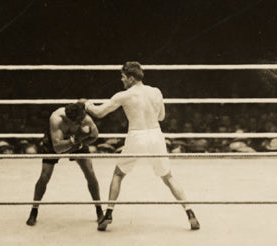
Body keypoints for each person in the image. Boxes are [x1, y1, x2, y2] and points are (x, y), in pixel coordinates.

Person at [83, 61, 200, 231]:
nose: (122, 81)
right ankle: (190, 213)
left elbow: (99, 112)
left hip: (137, 135)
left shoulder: (124, 95)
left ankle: (108, 213)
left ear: (131, 78)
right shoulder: (156, 92)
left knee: (118, 174)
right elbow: (161, 117)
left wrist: (86, 104)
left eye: (123, 78)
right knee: (168, 177)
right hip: (155, 134)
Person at [26, 101, 101, 226]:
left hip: (77, 142)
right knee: (44, 176)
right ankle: (34, 210)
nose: (81, 124)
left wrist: (81, 143)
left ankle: (99, 209)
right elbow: (57, 148)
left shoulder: (85, 119)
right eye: (77, 122)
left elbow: (95, 135)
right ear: (69, 120)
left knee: (90, 173)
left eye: (81, 121)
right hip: (55, 143)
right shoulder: (56, 119)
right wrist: (74, 139)